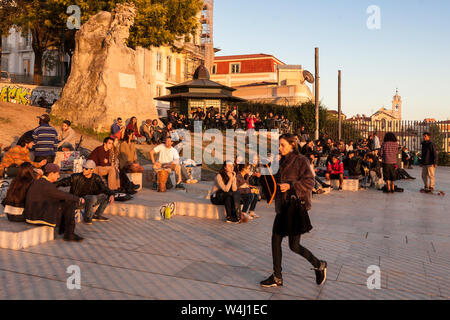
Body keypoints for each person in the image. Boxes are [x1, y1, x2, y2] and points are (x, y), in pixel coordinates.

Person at [260, 133, 327, 288]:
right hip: (283, 206)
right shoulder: (280, 160)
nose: (280, 148)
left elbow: (310, 182)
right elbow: (275, 182)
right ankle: (277, 276)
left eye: (283, 145)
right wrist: (264, 173)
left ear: (292, 145)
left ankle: (319, 264)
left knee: (294, 246)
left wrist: (291, 185)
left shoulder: (301, 160)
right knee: (275, 239)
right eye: (279, 145)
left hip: (295, 207)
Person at [25, 163, 85, 242]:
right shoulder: (46, 185)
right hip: (37, 217)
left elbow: (57, 193)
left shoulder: (40, 182)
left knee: (65, 201)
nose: (59, 176)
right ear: (51, 173)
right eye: (57, 174)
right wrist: (78, 199)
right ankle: (69, 234)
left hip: (32, 215)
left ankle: (63, 230)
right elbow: (60, 194)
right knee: (69, 202)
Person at [56, 160, 115, 224]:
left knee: (106, 196)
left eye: (86, 169)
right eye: (83, 168)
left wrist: (112, 194)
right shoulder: (76, 177)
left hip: (90, 201)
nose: (84, 170)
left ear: (92, 170)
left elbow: (104, 188)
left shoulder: (96, 178)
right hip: (77, 201)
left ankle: (96, 215)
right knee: (92, 198)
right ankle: (87, 218)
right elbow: (63, 182)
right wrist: (52, 184)